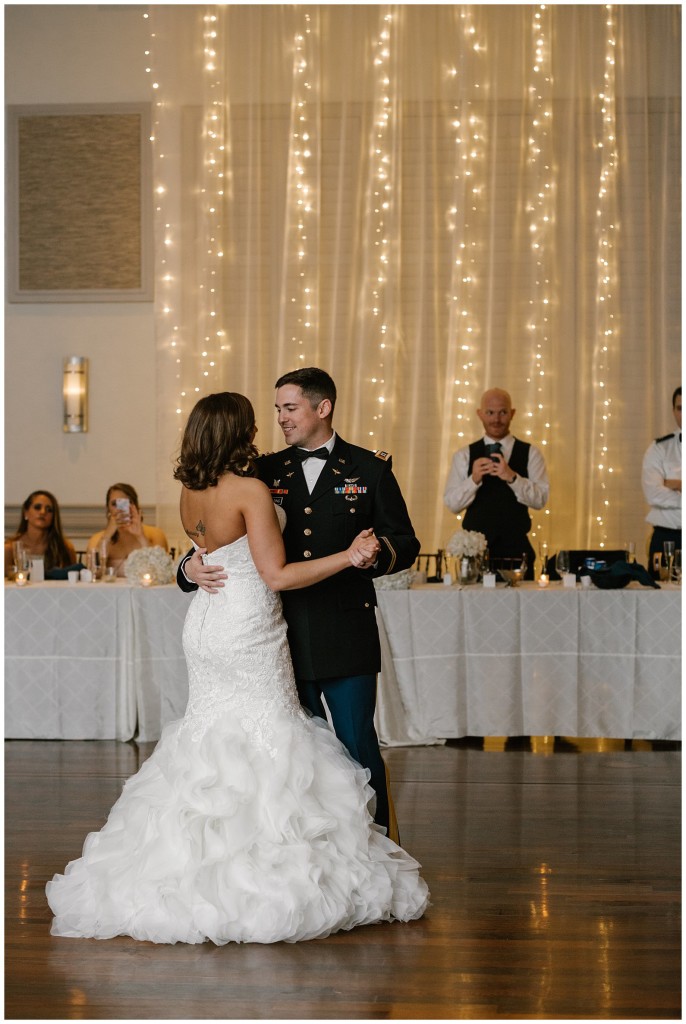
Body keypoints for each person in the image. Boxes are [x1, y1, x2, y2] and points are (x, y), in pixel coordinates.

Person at [46, 392, 428, 945]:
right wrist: (346, 556)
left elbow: (208, 548)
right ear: (236, 432)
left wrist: (191, 566)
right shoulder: (255, 481)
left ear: (323, 407)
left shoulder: (196, 487)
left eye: (286, 408)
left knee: (222, 738)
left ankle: (199, 868)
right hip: (251, 623)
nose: (269, 425)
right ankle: (291, 864)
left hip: (216, 625)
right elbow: (269, 573)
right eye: (260, 419)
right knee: (270, 738)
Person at [178, 367, 420, 842]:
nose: (281, 419)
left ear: (321, 407)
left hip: (344, 627)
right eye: (277, 410)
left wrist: (374, 555)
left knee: (355, 744)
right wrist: (186, 568)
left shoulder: (369, 468)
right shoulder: (263, 470)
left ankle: (376, 845)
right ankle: (319, 848)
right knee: (299, 753)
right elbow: (221, 532)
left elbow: (405, 542)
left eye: (289, 408)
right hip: (277, 633)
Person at [443, 387, 549, 580]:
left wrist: (512, 477)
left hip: (517, 554)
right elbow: (452, 504)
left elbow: (540, 500)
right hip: (474, 556)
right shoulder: (464, 455)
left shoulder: (531, 453)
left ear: (512, 413)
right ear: (480, 414)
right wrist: (473, 479)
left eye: (503, 412)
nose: (496, 419)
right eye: (490, 413)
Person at [87, 483, 168, 576]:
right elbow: (93, 573)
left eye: (127, 502)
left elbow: (161, 571)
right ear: (108, 509)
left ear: (135, 506)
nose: (120, 509)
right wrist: (107, 536)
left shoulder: (155, 534)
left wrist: (141, 537)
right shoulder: (97, 538)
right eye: (114, 504)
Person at [642, 386, 681, 578]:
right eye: (680, 408)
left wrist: (676, 484)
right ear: (673, 410)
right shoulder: (659, 448)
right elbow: (653, 494)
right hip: (667, 537)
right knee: (659, 602)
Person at [4, 490, 77, 577]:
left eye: (49, 510)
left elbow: (72, 582)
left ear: (53, 517)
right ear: (26, 512)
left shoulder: (64, 548)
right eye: (37, 507)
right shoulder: (9, 549)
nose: (43, 512)